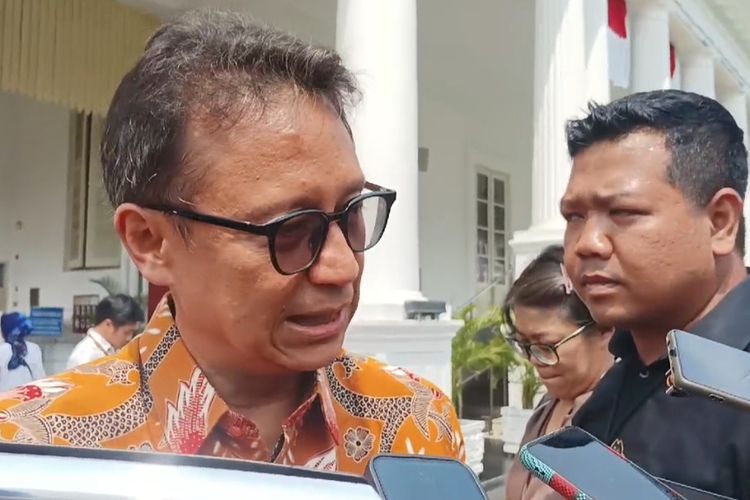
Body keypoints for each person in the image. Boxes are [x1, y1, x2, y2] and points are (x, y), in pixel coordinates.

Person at [0, 10, 464, 474]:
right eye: (290, 228)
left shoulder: (415, 424)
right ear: (150, 241)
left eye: (353, 212)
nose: (343, 267)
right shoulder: (33, 452)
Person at [561, 90, 750, 498]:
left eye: (623, 212)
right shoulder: (615, 379)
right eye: (574, 216)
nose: (587, 243)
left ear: (720, 222)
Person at [503, 245, 613, 500]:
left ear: (603, 329)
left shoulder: (618, 420)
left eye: (547, 346)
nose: (534, 359)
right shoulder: (546, 407)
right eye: (524, 344)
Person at [66, 295, 145, 369]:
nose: (129, 338)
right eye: (126, 332)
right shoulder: (85, 357)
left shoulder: (112, 350)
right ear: (108, 325)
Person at [0, 313, 46, 392]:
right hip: (28, 396)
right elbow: (40, 377)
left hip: (6, 396)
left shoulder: (2, 350)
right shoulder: (34, 348)